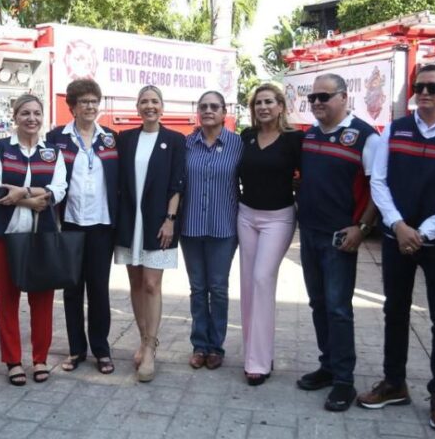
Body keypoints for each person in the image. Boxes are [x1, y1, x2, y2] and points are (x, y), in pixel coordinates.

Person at [359, 64, 435, 432]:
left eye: (432, 87)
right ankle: (394, 383)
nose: (424, 93)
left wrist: (423, 232)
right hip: (399, 237)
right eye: (418, 87)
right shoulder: (395, 130)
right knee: (394, 311)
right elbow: (378, 183)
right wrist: (397, 225)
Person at [296, 74, 379, 411]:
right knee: (318, 304)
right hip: (310, 233)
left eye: (324, 97)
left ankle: (344, 381)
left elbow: (378, 188)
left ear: (344, 97)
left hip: (340, 238)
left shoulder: (364, 137)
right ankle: (328, 367)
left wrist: (363, 227)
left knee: (339, 309)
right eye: (313, 97)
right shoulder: (310, 134)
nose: (317, 102)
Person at [0, 94, 67, 386]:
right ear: (15, 116)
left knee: (42, 299)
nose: (31, 118)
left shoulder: (52, 152)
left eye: (36, 113)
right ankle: (13, 361)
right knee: (7, 299)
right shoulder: (0, 148)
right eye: (25, 113)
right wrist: (31, 199)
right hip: (3, 237)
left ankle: (40, 359)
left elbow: (59, 190)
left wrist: (19, 191)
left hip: (40, 237)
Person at [46, 80, 119, 375]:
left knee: (99, 289)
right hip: (70, 224)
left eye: (94, 101)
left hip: (102, 224)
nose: (90, 107)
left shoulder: (112, 139)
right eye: (84, 102)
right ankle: (77, 349)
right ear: (72, 107)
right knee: (72, 290)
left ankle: (101, 349)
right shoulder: (56, 138)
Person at [115, 85, 185, 382]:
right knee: (135, 282)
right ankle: (143, 339)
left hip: (159, 221)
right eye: (144, 101)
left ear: (162, 106)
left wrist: (170, 219)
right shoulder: (126, 138)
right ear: (137, 107)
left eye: (154, 101)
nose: (149, 106)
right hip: (130, 221)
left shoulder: (175, 140)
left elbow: (177, 184)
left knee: (152, 284)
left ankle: (151, 347)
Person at [237, 83, 302, 386]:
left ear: (280, 106)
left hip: (278, 219)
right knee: (249, 285)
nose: (263, 107)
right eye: (258, 103)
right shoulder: (247, 137)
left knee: (263, 279)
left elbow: (308, 180)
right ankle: (254, 354)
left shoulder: (294, 140)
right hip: (246, 216)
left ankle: (259, 362)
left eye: (269, 102)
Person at [181, 90, 242, 371]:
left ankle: (216, 346)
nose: (208, 111)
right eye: (203, 106)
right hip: (191, 227)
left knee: (217, 288)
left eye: (214, 106)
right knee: (197, 288)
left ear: (224, 111)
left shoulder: (238, 145)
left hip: (224, 227)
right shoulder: (186, 144)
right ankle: (199, 345)